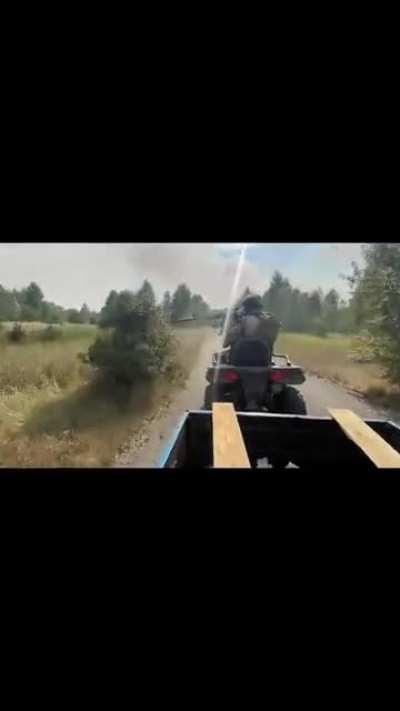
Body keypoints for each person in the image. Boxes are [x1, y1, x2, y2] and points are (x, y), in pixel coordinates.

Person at [223, 294, 281, 362]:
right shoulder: (269, 321)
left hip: (239, 362)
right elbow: (272, 340)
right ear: (260, 308)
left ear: (245, 308)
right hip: (264, 362)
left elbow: (225, 344)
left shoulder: (242, 322)